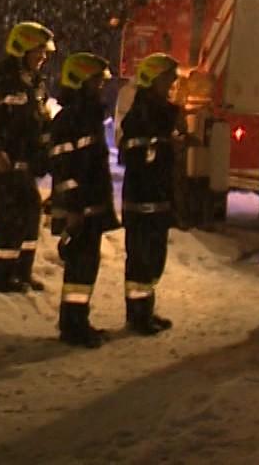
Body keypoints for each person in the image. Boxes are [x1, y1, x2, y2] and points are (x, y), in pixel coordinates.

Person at [0, 21, 55, 293]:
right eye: (37, 51)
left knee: (30, 216)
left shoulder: (37, 84)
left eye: (44, 52)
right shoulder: (0, 79)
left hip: (23, 167)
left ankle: (21, 274)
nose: (43, 57)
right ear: (21, 49)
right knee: (9, 223)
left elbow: (37, 122)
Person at [47, 52, 119, 348]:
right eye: (95, 83)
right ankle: (72, 327)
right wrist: (75, 208)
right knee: (79, 268)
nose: (100, 88)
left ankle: (78, 321)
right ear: (79, 82)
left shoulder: (87, 117)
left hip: (89, 207)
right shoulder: (70, 120)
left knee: (86, 266)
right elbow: (66, 168)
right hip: (80, 208)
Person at [119, 53, 182, 335]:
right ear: (154, 79)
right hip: (142, 201)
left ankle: (145, 310)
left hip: (155, 199)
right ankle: (137, 316)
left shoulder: (159, 112)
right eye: (168, 78)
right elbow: (135, 156)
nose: (172, 83)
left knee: (153, 258)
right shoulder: (142, 114)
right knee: (141, 260)